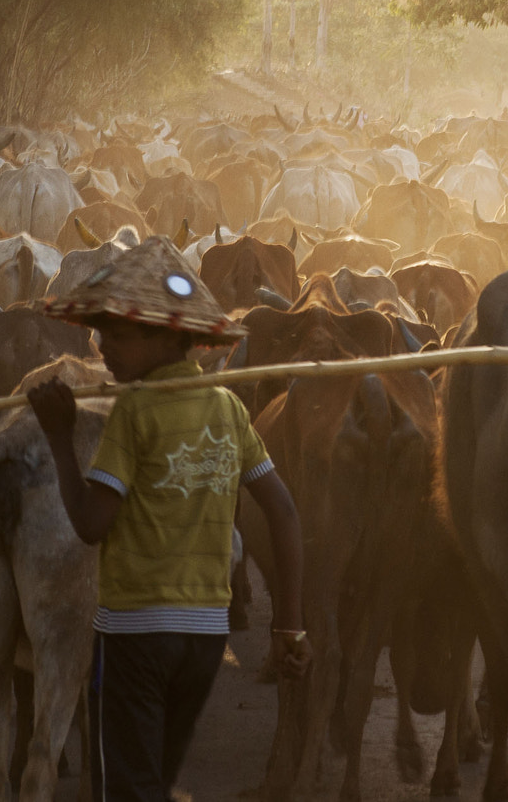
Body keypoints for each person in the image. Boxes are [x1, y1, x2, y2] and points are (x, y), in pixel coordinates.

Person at [27, 236, 310, 802]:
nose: (102, 345)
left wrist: (59, 438)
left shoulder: (134, 411)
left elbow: (89, 523)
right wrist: (290, 626)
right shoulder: (228, 408)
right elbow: (281, 508)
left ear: (166, 333)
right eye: (102, 330)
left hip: (135, 633)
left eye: (120, 333)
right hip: (204, 638)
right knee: (152, 779)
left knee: (128, 788)